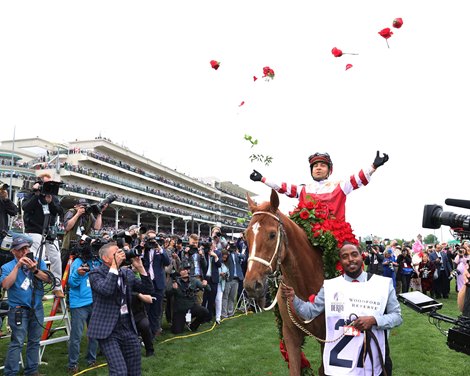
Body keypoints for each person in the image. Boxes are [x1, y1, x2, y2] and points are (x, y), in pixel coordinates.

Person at [281, 243, 402, 376]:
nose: (350, 259)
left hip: (374, 363)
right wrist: (294, 299)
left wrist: (374, 320)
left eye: (354, 254)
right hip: (339, 368)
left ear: (361, 257)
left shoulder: (382, 285)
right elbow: (310, 312)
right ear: (341, 262)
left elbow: (397, 317)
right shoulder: (330, 286)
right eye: (345, 257)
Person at [250, 151, 389, 222]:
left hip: (335, 234)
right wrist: (262, 179)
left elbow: (358, 178)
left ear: (329, 170)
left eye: (322, 165)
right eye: (315, 166)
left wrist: (374, 166)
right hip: (308, 233)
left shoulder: (340, 186)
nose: (318, 168)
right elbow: (282, 187)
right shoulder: (304, 189)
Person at [87, 242, 154, 376]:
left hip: (127, 326)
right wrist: (114, 267)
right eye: (116, 253)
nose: (121, 254)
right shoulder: (95, 273)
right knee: (119, 371)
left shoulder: (127, 272)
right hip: (108, 330)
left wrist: (140, 268)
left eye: (121, 251)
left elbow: (148, 289)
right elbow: (106, 290)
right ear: (106, 258)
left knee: (134, 370)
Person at [0, 235, 52, 376]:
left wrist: (35, 270)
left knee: (34, 341)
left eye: (26, 248)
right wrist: (17, 266)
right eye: (20, 249)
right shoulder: (7, 267)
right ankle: (10, 373)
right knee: (17, 342)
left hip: (36, 308)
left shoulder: (37, 261)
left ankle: (32, 371)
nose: (24, 252)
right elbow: (5, 285)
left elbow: (49, 279)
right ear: (13, 252)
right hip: (18, 310)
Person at [22, 173, 64, 298]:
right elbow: (25, 207)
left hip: (50, 232)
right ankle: (36, 287)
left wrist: (50, 202)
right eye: (47, 184)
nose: (49, 186)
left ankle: (57, 287)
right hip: (34, 230)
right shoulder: (32, 194)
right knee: (34, 259)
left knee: (56, 258)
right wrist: (36, 195)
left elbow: (60, 211)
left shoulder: (53, 196)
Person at [67, 243, 101, 374]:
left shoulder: (96, 262)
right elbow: (72, 283)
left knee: (94, 334)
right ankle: (72, 364)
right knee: (76, 336)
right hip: (79, 305)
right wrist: (77, 274)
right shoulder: (77, 262)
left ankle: (91, 359)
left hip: (94, 302)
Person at [61, 198, 107, 275]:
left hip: (83, 247)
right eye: (82, 206)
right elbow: (67, 227)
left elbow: (97, 227)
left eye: (85, 206)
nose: (84, 209)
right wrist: (78, 214)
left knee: (80, 270)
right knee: (65, 270)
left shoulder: (89, 215)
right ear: (76, 206)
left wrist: (99, 213)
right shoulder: (72, 211)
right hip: (68, 247)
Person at [167, 260, 211, 334]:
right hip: (179, 310)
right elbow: (167, 294)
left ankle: (193, 326)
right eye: (181, 270)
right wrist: (173, 289)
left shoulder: (194, 280)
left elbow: (208, 289)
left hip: (191, 307)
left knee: (205, 311)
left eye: (185, 270)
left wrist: (205, 285)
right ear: (179, 272)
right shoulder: (175, 281)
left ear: (188, 271)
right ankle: (183, 321)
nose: (183, 272)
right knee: (176, 331)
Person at [141, 230, 170, 338]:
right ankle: (145, 333)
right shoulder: (145, 250)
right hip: (147, 283)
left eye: (154, 238)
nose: (152, 241)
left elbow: (167, 262)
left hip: (158, 284)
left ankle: (153, 333)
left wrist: (159, 248)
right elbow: (138, 260)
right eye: (150, 239)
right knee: (145, 310)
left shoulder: (160, 250)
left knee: (156, 311)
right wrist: (143, 248)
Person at [221, 241, 245, 318]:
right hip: (228, 278)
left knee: (232, 297)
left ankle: (230, 312)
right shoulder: (227, 255)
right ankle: (223, 313)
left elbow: (243, 256)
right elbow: (223, 258)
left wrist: (237, 252)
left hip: (236, 279)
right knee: (225, 296)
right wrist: (227, 249)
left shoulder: (237, 255)